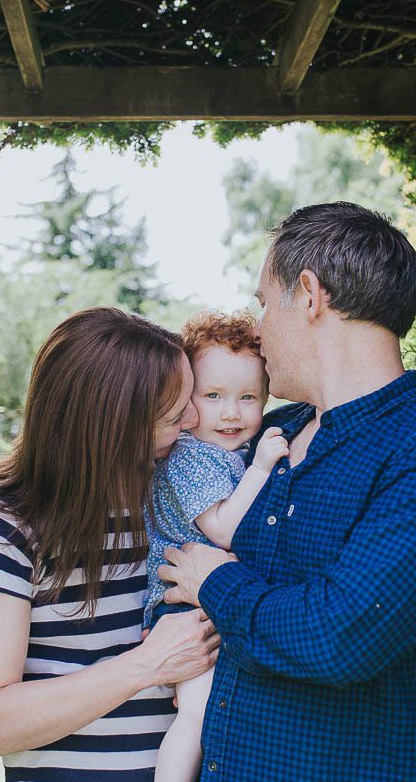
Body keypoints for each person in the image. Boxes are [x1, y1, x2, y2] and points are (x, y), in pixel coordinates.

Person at [157, 202, 416, 781]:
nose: (259, 327)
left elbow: (339, 635)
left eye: (264, 303)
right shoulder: (275, 432)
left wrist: (212, 581)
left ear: (310, 295)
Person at [0, 306, 220, 782]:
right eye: (175, 413)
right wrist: (146, 664)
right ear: (113, 427)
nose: (196, 418)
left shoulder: (180, 509)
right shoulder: (9, 529)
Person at [141, 311, 288, 782]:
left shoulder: (226, 454)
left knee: (216, 715)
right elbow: (223, 529)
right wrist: (264, 465)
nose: (231, 413)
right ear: (187, 403)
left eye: (248, 398)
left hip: (211, 603)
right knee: (198, 714)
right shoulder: (189, 457)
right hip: (180, 611)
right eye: (213, 396)